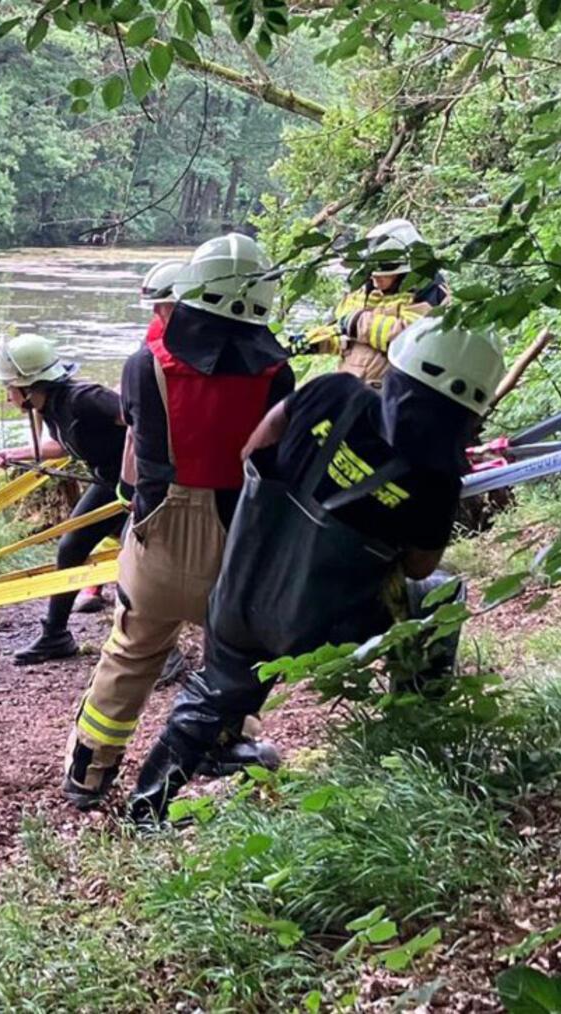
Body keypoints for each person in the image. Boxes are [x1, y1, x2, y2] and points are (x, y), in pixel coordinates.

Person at [127, 317, 505, 826]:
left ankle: (146, 809)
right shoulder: (437, 482)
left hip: (242, 595)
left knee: (216, 689)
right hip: (327, 631)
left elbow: (253, 451)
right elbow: (420, 563)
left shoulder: (331, 392)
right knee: (440, 591)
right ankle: (415, 729)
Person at [62, 233, 296, 809]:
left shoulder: (145, 366)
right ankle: (223, 744)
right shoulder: (279, 376)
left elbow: (134, 462)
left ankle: (88, 772)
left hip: (159, 543)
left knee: (129, 655)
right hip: (239, 551)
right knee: (235, 659)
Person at [0, 333, 129, 664]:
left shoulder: (85, 398)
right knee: (71, 546)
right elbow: (61, 445)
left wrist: (144, 478)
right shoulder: (51, 406)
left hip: (139, 485)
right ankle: (56, 636)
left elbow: (140, 420)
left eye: (9, 389)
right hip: (109, 482)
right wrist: (13, 453)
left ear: (29, 387)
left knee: (138, 559)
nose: (8, 398)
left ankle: (156, 648)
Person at [299, 218, 450, 387]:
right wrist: (315, 343)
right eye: (370, 270)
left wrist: (358, 323)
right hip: (351, 391)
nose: (373, 277)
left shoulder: (428, 289)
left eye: (381, 272)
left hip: (395, 396)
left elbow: (412, 341)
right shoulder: (363, 287)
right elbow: (348, 339)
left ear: (404, 269)